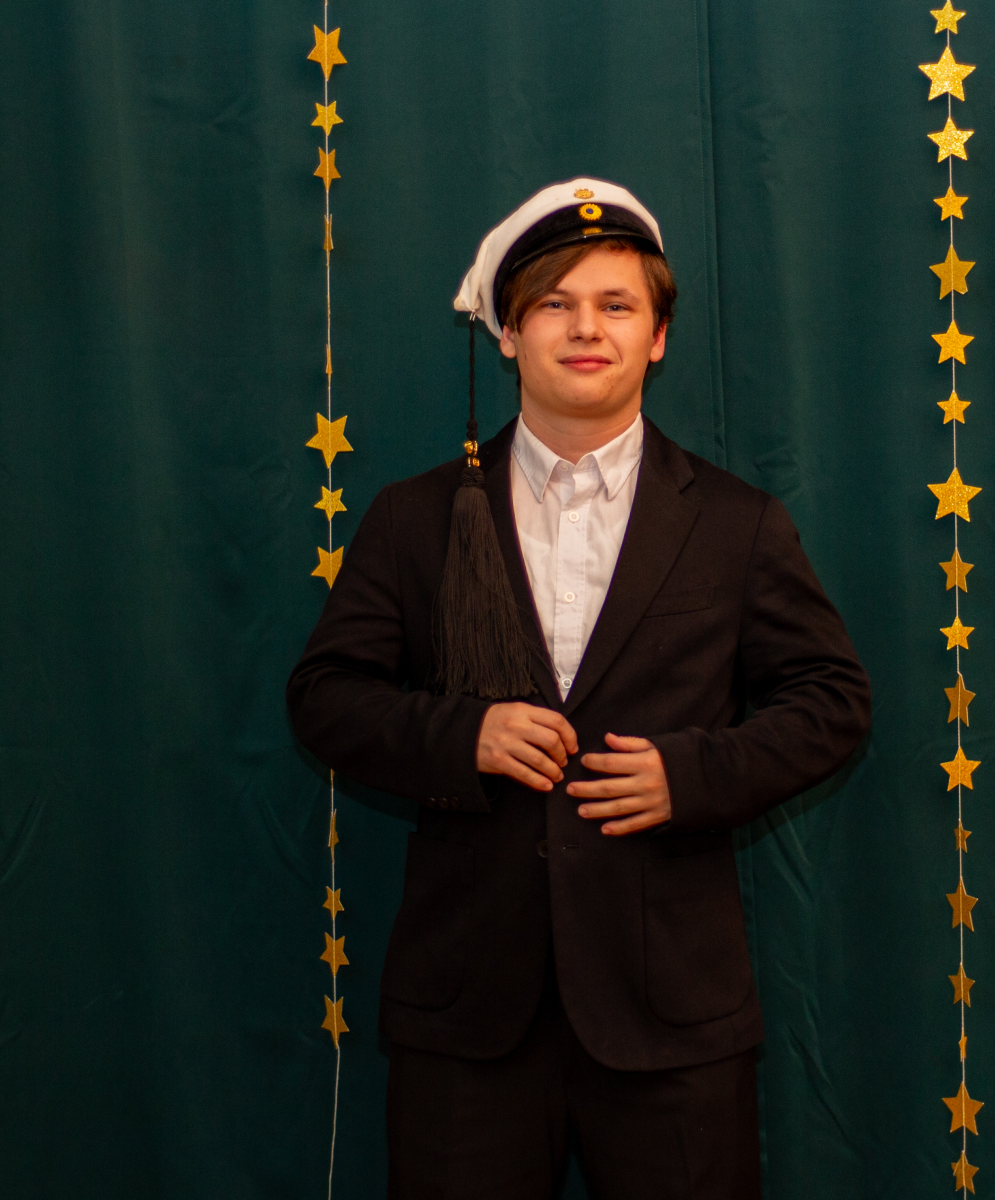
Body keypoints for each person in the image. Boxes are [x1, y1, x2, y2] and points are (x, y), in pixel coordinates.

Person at [286, 178, 870, 1199]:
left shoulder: (736, 523)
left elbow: (831, 702)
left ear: (657, 337)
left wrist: (690, 775)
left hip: (671, 1018)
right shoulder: (413, 517)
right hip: (465, 1017)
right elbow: (326, 697)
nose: (585, 328)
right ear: (507, 334)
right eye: (554, 303)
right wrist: (459, 737)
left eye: (616, 304)